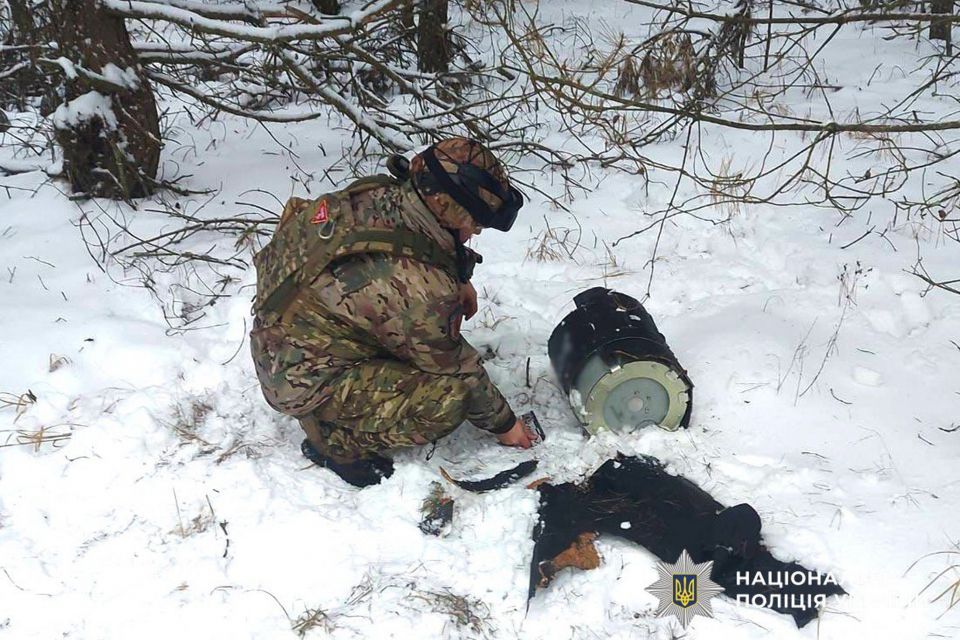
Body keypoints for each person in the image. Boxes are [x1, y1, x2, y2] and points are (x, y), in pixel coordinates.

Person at [249, 137, 539, 488]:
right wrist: (506, 426)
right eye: (473, 225)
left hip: (288, 333)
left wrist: (459, 277)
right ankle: (335, 441)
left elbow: (424, 246)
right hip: (301, 379)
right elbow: (458, 368)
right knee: (448, 399)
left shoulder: (381, 194)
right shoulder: (420, 289)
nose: (474, 233)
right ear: (450, 213)